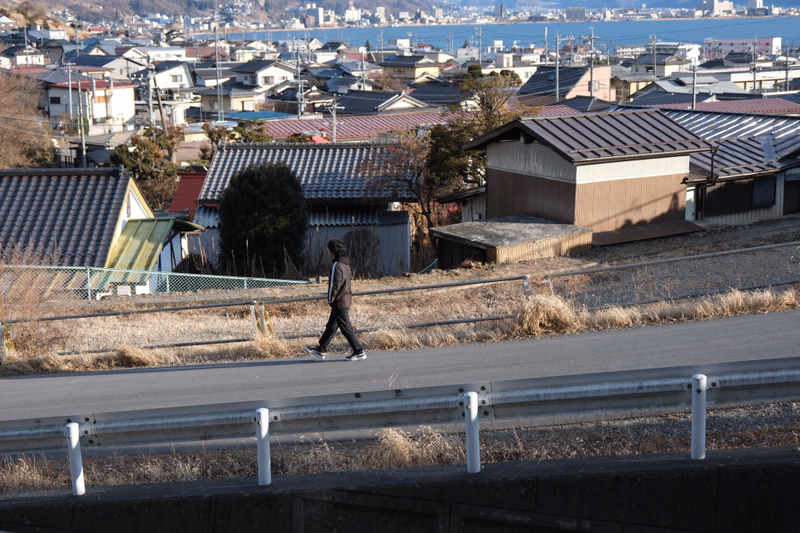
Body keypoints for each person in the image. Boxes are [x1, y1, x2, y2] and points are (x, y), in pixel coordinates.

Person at [305, 239, 366, 361]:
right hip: (345, 299)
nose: (327, 251)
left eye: (329, 249)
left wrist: (330, 300)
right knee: (332, 325)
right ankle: (321, 348)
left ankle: (358, 351)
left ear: (333, 251)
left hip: (339, 301)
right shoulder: (345, 264)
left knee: (346, 327)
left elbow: (334, 285)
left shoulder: (336, 266)